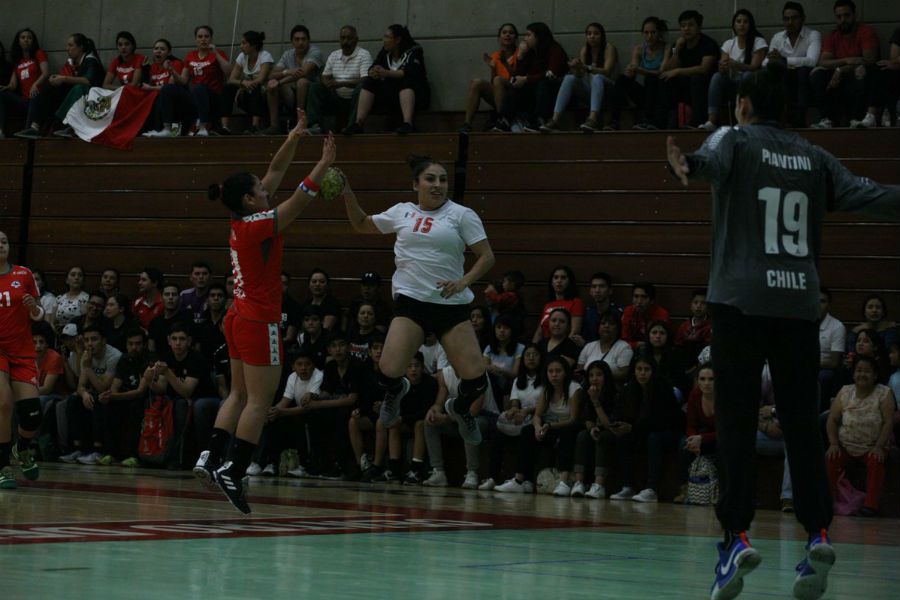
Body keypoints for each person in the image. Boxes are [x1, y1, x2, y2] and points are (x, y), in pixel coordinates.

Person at [665, 58, 900, 599]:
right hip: (798, 304)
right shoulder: (814, 156)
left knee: (736, 420)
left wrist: (689, 166)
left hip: (739, 302)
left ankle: (736, 538)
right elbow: (869, 194)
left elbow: (707, 161)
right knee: (800, 425)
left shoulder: (736, 137)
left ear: (742, 105)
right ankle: (817, 532)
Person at [193, 113, 336, 513]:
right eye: (260, 188)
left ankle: (210, 457)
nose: (266, 186)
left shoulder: (242, 218)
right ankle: (234, 470)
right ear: (251, 198)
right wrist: (324, 164)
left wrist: (294, 136)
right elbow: (300, 199)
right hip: (258, 320)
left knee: (239, 393)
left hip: (237, 316)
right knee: (260, 400)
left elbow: (276, 169)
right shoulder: (259, 225)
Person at [342, 153, 495, 448]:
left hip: (450, 304)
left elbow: (487, 257)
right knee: (387, 372)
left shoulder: (462, 215)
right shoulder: (402, 212)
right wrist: (348, 192)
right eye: (430, 179)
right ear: (415, 184)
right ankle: (395, 392)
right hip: (411, 302)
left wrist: (462, 281)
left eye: (442, 179)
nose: (438, 185)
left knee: (476, 380)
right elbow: (360, 224)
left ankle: (460, 409)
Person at [495, 356, 583, 495]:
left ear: (565, 372)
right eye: (550, 371)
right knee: (527, 431)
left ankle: (564, 482)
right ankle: (520, 481)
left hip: (568, 426)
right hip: (550, 426)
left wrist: (550, 426)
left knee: (567, 433)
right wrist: (537, 427)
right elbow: (537, 415)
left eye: (558, 371)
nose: (554, 375)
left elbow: (573, 419)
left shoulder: (574, 388)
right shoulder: (547, 389)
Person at [0, 231, 45, 489]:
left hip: (22, 350)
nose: (1, 245)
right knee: (3, 404)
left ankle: (22, 448)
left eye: (4, 241)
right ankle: (3, 465)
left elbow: (39, 314)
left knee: (31, 416)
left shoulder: (23, 274)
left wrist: (33, 308)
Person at [825, 355, 895, 516]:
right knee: (831, 457)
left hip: (873, 445)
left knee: (876, 460)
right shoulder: (845, 391)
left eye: (867, 371)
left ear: (875, 375)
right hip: (845, 445)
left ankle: (870, 506)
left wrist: (879, 446)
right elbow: (832, 420)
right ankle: (826, 502)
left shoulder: (884, 393)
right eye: (859, 370)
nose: (862, 374)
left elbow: (888, 422)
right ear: (853, 373)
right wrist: (834, 443)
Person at [15, 33, 103, 139]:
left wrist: (63, 79)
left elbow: (88, 81)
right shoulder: (73, 63)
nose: (67, 48)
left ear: (81, 47)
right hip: (78, 95)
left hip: (93, 99)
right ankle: (34, 127)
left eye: (71, 45)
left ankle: (63, 125)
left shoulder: (91, 61)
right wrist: (57, 79)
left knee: (76, 88)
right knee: (48, 90)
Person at [344, 25, 428, 135]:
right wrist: (373, 71)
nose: (384, 40)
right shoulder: (386, 52)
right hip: (390, 94)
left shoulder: (414, 51)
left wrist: (386, 73)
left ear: (397, 40)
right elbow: (375, 65)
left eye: (387, 37)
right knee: (369, 82)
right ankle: (358, 123)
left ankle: (407, 123)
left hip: (414, 94)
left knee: (406, 81)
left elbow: (409, 72)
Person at [810, 0, 880, 129]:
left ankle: (859, 118)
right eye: (839, 17)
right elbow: (823, 61)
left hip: (859, 75)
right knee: (817, 74)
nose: (843, 20)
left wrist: (840, 70)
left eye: (846, 15)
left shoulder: (865, 31)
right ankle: (827, 119)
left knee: (862, 70)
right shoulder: (833, 35)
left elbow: (868, 60)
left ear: (855, 15)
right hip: (840, 78)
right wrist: (845, 61)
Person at [540, 22, 618, 132]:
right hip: (592, 92)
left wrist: (587, 67)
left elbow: (607, 71)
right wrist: (575, 68)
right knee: (569, 78)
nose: (592, 36)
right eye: (589, 34)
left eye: (596, 34)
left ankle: (593, 118)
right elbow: (580, 75)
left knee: (597, 78)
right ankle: (555, 120)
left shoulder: (609, 48)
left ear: (602, 36)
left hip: (609, 90)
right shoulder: (585, 50)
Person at [699, 9, 767, 130]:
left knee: (747, 75)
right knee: (717, 77)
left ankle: (745, 119)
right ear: (734, 25)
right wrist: (722, 67)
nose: (742, 25)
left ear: (750, 25)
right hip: (733, 83)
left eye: (745, 22)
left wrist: (736, 64)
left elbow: (754, 67)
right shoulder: (728, 44)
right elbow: (724, 69)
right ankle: (711, 121)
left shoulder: (759, 42)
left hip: (752, 84)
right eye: (738, 21)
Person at [494, 22, 568, 132]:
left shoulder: (554, 49)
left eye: (529, 35)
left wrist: (527, 79)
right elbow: (519, 76)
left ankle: (540, 120)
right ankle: (504, 120)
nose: (525, 39)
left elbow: (551, 74)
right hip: (535, 92)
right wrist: (520, 57)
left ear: (538, 36)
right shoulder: (532, 53)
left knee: (543, 83)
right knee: (516, 86)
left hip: (554, 91)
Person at [305, 25, 371, 135]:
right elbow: (325, 76)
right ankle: (315, 126)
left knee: (361, 89)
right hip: (336, 98)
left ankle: (352, 127)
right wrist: (326, 83)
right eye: (343, 38)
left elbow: (365, 80)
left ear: (356, 39)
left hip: (354, 99)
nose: (346, 41)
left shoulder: (364, 55)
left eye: (349, 38)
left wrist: (341, 84)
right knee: (315, 87)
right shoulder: (334, 55)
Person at [764, 2, 822, 127]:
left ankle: (800, 117)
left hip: (803, 78)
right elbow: (766, 61)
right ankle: (777, 118)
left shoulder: (813, 35)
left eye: (794, 18)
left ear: (803, 19)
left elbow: (812, 61)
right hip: (784, 77)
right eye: (786, 19)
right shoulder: (777, 37)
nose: (790, 22)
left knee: (802, 70)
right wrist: (777, 61)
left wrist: (784, 60)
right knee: (772, 73)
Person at [659, 10, 718, 129]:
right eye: (683, 26)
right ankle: (664, 123)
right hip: (685, 84)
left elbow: (704, 69)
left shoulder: (708, 44)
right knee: (665, 80)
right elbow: (667, 70)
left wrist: (678, 71)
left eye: (690, 25)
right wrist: (677, 51)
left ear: (699, 26)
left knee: (696, 79)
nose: (686, 29)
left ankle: (696, 122)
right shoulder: (679, 44)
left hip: (705, 85)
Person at [263, 24, 323, 134]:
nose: (300, 42)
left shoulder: (315, 52)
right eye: (297, 39)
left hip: (311, 93)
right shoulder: (288, 54)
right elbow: (271, 75)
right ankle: (274, 125)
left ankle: (299, 123)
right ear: (292, 42)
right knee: (271, 84)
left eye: (303, 39)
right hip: (292, 93)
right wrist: (286, 71)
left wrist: (279, 81)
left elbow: (303, 73)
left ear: (308, 41)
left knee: (301, 82)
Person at [459, 23, 519, 133]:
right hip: (499, 93)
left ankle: (503, 120)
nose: (507, 35)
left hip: (515, 94)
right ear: (499, 37)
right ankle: (467, 124)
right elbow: (494, 83)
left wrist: (504, 64)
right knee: (476, 82)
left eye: (511, 33)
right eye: (504, 32)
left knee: (498, 80)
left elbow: (517, 78)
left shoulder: (519, 53)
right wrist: (492, 69)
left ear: (516, 37)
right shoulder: (496, 55)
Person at [611, 17, 668, 130]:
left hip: (661, 92)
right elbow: (633, 72)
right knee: (622, 79)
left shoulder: (666, 47)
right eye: (646, 33)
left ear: (659, 33)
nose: (649, 36)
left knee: (651, 79)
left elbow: (662, 72)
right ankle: (614, 121)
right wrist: (630, 70)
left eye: (653, 32)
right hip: (646, 94)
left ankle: (650, 121)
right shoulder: (639, 49)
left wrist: (641, 70)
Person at [571, 360, 617, 498]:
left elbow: (610, 425)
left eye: (599, 375)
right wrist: (591, 428)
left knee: (603, 436)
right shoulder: (588, 392)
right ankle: (579, 482)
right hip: (597, 429)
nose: (594, 379)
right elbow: (588, 418)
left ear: (606, 377)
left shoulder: (615, 394)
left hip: (614, 432)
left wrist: (596, 401)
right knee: (583, 435)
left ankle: (599, 485)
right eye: (591, 375)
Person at [181, 25, 231, 137]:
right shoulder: (190, 55)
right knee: (169, 89)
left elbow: (229, 72)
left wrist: (216, 53)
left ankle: (203, 127)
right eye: (200, 36)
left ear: (211, 39)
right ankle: (167, 129)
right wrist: (172, 71)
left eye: (206, 36)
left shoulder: (218, 53)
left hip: (213, 96)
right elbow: (183, 80)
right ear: (196, 39)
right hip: (195, 96)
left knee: (200, 87)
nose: (203, 39)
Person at [0, 28, 49, 139]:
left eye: (29, 38)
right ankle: (0, 131)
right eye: (23, 37)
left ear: (33, 41)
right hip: (25, 101)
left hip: (38, 99)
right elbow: (13, 84)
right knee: (1, 94)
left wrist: (35, 84)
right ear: (18, 41)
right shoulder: (17, 60)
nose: (26, 40)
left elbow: (46, 73)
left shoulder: (38, 53)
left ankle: (29, 130)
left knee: (35, 95)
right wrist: (6, 87)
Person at [223, 31, 273, 134]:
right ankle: (224, 126)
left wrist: (242, 87)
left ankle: (255, 125)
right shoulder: (242, 56)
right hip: (246, 96)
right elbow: (232, 79)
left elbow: (261, 79)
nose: (241, 46)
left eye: (244, 43)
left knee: (255, 86)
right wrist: (243, 83)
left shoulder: (265, 56)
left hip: (263, 95)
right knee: (228, 87)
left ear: (253, 45)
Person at [142, 39, 190, 138]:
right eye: (156, 48)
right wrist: (145, 70)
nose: (158, 51)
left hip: (180, 101)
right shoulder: (153, 67)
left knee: (164, 92)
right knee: (152, 97)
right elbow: (147, 87)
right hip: (162, 100)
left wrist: (151, 88)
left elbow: (170, 86)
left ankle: (169, 129)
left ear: (169, 52)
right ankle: (154, 129)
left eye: (162, 49)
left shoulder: (175, 63)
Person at [576, 310, 633, 382]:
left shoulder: (624, 347)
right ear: (598, 327)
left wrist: (600, 376)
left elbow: (624, 374)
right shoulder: (589, 346)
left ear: (618, 328)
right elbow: (579, 371)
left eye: (611, 324)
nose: (606, 326)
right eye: (603, 323)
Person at [533, 265, 584, 342]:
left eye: (563, 278)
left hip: (563, 348)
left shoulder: (576, 302)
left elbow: (574, 331)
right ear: (552, 282)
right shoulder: (548, 305)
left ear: (569, 281)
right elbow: (539, 333)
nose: (559, 280)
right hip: (544, 347)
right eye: (556, 277)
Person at [576, 271, 621, 345]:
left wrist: (585, 343)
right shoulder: (588, 313)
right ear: (590, 291)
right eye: (594, 287)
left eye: (602, 286)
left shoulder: (618, 312)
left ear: (610, 290)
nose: (597, 290)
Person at [620, 282, 670, 348]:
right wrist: (636, 345)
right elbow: (624, 340)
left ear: (652, 300)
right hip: (631, 348)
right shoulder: (628, 311)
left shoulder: (661, 314)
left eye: (644, 297)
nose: (639, 301)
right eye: (636, 296)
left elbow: (664, 341)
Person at [53, 266, 88, 331]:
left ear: (83, 281)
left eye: (80, 275)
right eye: (73, 275)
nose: (76, 277)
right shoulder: (59, 298)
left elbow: (85, 322)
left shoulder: (86, 298)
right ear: (67, 280)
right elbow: (52, 322)